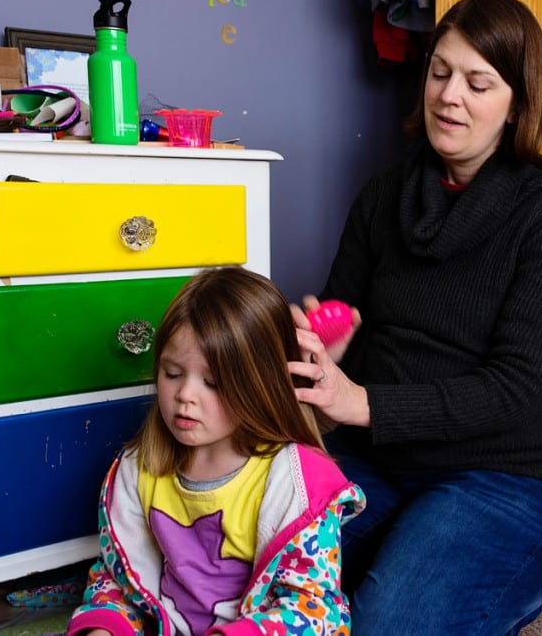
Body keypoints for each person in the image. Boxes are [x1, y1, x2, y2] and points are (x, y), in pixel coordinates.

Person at [288, 0, 542, 635]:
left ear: (517, 103)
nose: (449, 96)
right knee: (247, 575)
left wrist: (362, 402)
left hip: (512, 476)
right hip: (383, 462)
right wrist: (331, 352)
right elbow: (348, 329)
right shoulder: (384, 196)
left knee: (382, 626)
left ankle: (509, 577)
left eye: (477, 84)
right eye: (439, 72)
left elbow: (518, 387)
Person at [67, 266, 365, 636]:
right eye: (172, 373)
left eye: (212, 382)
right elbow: (119, 579)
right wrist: (105, 628)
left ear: (260, 386)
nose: (185, 395)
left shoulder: (297, 485)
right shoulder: (138, 468)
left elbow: (314, 613)